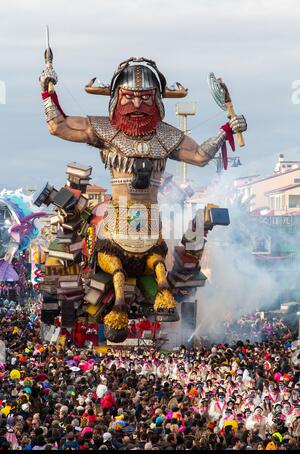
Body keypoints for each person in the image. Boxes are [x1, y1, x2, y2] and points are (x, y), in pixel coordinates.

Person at [39, 56, 247, 342]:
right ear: (116, 99)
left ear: (158, 100)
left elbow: (199, 156)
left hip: (151, 229)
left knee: (166, 264)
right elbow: (58, 127)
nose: (137, 106)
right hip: (115, 227)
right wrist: (47, 90)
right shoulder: (104, 129)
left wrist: (226, 131)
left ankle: (158, 298)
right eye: (129, 98)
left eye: (145, 99)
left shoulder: (166, 135)